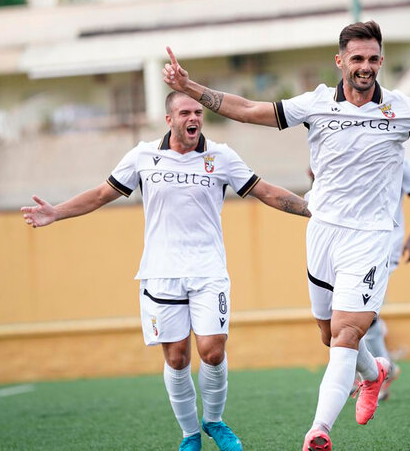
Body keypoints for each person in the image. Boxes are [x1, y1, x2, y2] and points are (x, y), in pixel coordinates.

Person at [161, 20, 410, 451]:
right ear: (340, 61)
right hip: (322, 232)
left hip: (370, 239)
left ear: (381, 62)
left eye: (372, 59)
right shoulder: (314, 104)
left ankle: (319, 431)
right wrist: (192, 88)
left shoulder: (401, 109)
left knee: (346, 334)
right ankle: (374, 372)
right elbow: (250, 110)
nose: (364, 67)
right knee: (329, 333)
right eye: (356, 59)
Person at [21, 92, 310, 451]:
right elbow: (99, 195)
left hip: (208, 272)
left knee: (213, 351)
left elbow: (265, 192)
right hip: (160, 274)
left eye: (198, 112)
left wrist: (311, 208)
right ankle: (190, 434)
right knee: (177, 357)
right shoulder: (144, 157)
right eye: (185, 112)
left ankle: (215, 422)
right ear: (169, 119)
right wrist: (56, 213)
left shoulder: (220, 156)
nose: (194, 118)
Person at [362, 158, 410, 402]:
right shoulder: (352, 153)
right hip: (356, 245)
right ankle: (383, 367)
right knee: (356, 309)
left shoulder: (397, 160)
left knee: (364, 309)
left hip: (386, 246)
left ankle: (378, 373)